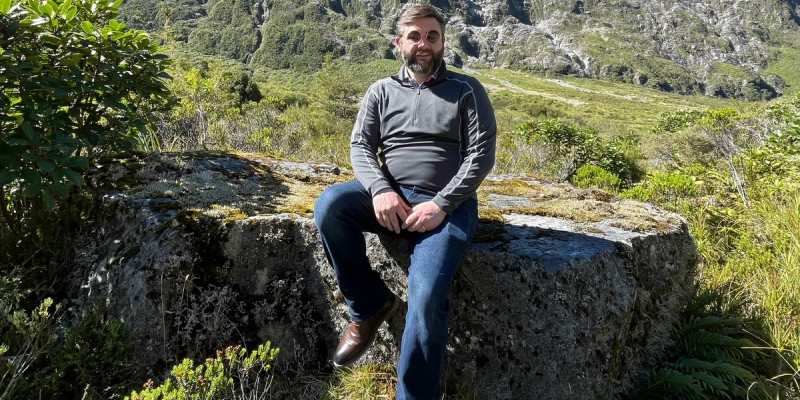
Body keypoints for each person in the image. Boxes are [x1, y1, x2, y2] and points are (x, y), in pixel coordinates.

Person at [313, 4, 496, 399]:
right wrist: (380, 190)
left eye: (432, 36)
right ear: (399, 42)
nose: (423, 43)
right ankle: (369, 305)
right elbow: (360, 146)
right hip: (391, 196)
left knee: (426, 296)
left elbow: (481, 155)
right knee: (330, 205)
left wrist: (442, 204)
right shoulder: (381, 91)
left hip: (447, 208)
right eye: (414, 36)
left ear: (442, 42)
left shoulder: (466, 90)